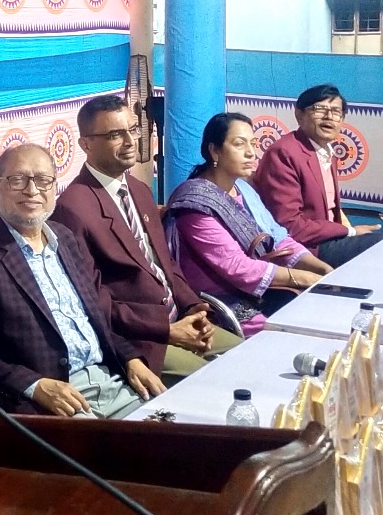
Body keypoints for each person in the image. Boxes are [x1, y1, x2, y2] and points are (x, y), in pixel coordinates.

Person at [0, 142, 165, 418]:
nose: (32, 190)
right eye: (18, 180)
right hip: (49, 401)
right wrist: (33, 385)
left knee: (183, 430)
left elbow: (94, 322)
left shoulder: (65, 238)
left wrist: (130, 358)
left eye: (43, 180)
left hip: (111, 379)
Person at [52, 94, 242, 383]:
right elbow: (92, 300)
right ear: (86, 144)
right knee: (215, 380)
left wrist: (194, 308)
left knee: (249, 357)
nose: (130, 141)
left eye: (133, 129)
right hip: (140, 339)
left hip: (180, 320)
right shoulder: (73, 207)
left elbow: (166, 265)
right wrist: (167, 331)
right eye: (115, 135)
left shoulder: (139, 189)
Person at [164, 113, 333, 337]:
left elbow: (278, 238)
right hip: (222, 305)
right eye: (239, 144)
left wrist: (322, 269)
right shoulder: (196, 205)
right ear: (214, 151)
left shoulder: (243, 189)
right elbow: (238, 268)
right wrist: (304, 278)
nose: (251, 152)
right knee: (300, 330)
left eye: (252, 143)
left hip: (260, 291)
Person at [251, 84, 383, 265]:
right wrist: (350, 231)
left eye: (336, 111)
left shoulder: (327, 152)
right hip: (306, 249)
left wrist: (347, 231)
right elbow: (290, 225)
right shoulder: (284, 153)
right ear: (299, 115)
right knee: (381, 245)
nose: (329, 116)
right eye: (319, 109)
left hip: (329, 239)